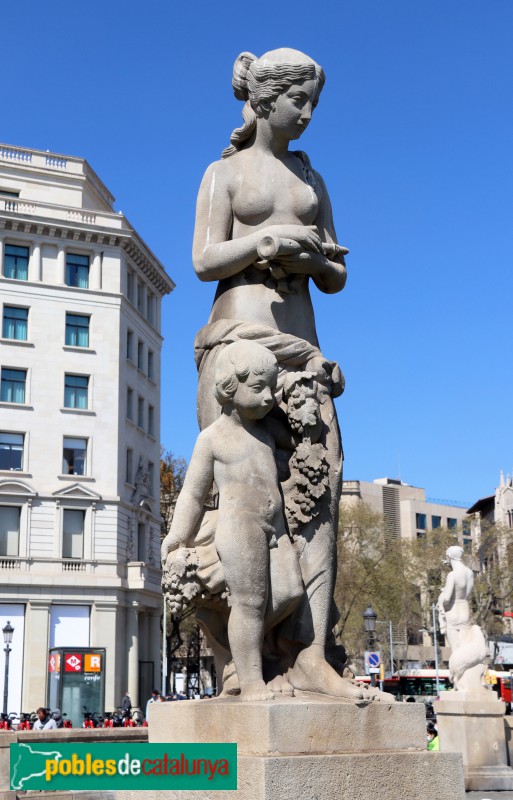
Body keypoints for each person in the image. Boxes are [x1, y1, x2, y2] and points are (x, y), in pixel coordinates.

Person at [189, 47, 363, 701]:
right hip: (238, 344)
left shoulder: (311, 177)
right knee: (242, 497)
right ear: (265, 100)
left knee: (319, 492)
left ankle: (312, 654)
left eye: (314, 101)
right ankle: (243, 662)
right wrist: (266, 243)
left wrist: (314, 260)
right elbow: (204, 259)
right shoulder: (224, 173)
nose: (308, 113)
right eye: (299, 100)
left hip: (303, 347)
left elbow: (338, 275)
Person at [162, 341, 304, 701]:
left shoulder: (266, 431)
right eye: (258, 388)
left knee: (290, 591)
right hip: (240, 528)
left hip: (275, 527)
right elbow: (192, 494)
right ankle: (251, 679)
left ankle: (240, 644)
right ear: (230, 386)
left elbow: (300, 438)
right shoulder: (212, 439)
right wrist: (178, 535)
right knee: (250, 603)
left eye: (271, 387)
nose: (268, 396)